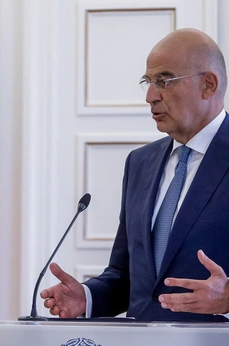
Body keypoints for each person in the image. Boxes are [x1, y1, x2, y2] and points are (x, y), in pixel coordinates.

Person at [41, 28, 229, 322]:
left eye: (164, 81)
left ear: (208, 85)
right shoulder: (140, 163)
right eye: (148, 82)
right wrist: (87, 298)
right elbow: (127, 276)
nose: (151, 97)